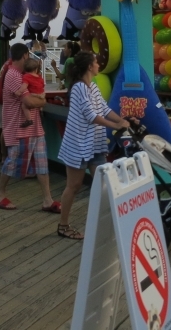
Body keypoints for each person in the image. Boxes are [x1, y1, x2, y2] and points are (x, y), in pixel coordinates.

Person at [57, 52, 130, 240]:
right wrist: (116, 126)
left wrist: (122, 120)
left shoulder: (93, 87)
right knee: (73, 185)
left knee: (105, 184)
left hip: (95, 144)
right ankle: (63, 225)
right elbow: (91, 115)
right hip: (78, 145)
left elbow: (104, 109)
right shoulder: (79, 88)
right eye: (96, 62)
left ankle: (108, 224)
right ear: (90, 66)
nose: (98, 65)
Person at [0, 43, 59, 213]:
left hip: (34, 128)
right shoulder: (14, 75)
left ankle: (47, 200)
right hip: (19, 129)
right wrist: (43, 101)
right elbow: (28, 102)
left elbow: (30, 99)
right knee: (12, 162)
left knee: (42, 164)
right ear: (24, 56)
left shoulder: (20, 75)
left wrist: (37, 100)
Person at [18, 58, 46, 129]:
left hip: (33, 94)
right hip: (41, 95)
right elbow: (43, 85)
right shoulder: (39, 77)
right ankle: (41, 110)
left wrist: (19, 91)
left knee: (24, 106)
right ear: (36, 69)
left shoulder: (26, 76)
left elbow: (24, 86)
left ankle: (29, 119)